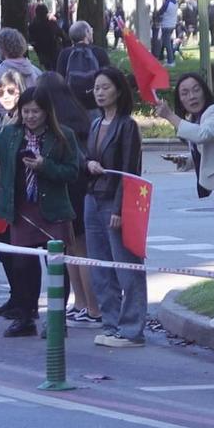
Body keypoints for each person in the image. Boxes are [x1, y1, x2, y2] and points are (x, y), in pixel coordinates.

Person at [0, 82, 80, 338]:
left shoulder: (63, 136)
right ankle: (26, 317)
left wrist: (45, 166)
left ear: (47, 112)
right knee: (23, 266)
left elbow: (72, 172)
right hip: (21, 210)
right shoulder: (11, 134)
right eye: (26, 111)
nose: (30, 116)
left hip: (52, 210)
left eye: (36, 111)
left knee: (56, 266)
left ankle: (57, 320)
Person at [82, 68, 148, 349]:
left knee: (126, 266)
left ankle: (132, 329)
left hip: (115, 201)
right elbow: (88, 158)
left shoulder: (127, 126)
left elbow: (128, 171)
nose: (99, 92)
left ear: (119, 91)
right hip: (92, 198)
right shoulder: (96, 124)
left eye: (105, 87)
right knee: (100, 266)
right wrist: (87, 164)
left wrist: (120, 209)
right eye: (96, 87)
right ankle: (111, 324)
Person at [38, 73, 103, 325]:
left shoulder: (57, 128)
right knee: (75, 248)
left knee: (75, 249)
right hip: (79, 188)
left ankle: (88, 305)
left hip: (67, 188)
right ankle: (85, 304)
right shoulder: (81, 118)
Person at [164, 71, 214, 199]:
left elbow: (203, 134)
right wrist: (188, 160)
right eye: (185, 93)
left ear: (205, 92)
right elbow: (209, 150)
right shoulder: (195, 118)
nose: (192, 96)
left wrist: (170, 116)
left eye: (196, 90)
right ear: (180, 100)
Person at [56, 22, 108, 100]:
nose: (92, 32)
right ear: (87, 33)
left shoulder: (65, 53)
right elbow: (108, 77)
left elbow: (59, 79)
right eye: (90, 30)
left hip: (72, 101)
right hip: (95, 100)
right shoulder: (99, 52)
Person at [25, 2, 62, 70]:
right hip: (50, 50)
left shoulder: (33, 26)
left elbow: (30, 39)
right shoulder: (51, 24)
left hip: (44, 51)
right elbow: (61, 34)